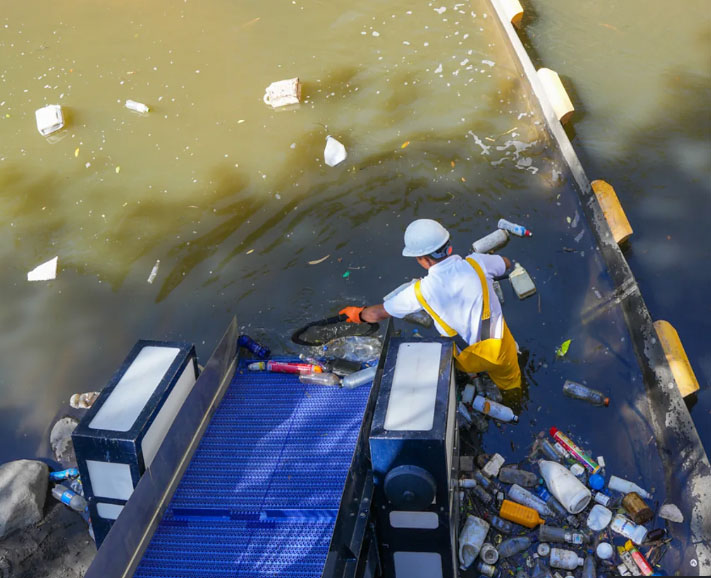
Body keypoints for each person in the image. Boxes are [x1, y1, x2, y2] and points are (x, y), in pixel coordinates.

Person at [340, 218, 521, 390]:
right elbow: (506, 264)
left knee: (457, 360)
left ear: (424, 259)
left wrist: (358, 313)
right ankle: (512, 395)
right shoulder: (478, 263)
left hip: (468, 360)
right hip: (500, 351)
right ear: (448, 246)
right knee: (510, 382)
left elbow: (378, 313)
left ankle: (473, 379)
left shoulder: (420, 292)